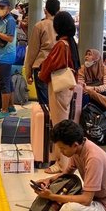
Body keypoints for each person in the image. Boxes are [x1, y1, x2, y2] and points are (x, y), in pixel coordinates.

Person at [34, 120, 106, 211]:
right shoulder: (78, 149)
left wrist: (52, 196)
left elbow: (86, 200)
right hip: (93, 197)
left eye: (63, 148)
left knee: (68, 209)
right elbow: (67, 174)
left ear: (75, 145)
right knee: (63, 199)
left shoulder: (93, 158)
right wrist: (48, 180)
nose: (61, 152)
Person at [39, 11, 81, 172]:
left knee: (59, 125)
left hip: (58, 88)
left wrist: (42, 71)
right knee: (62, 122)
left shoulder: (61, 45)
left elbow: (49, 66)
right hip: (67, 88)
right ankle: (62, 161)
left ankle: (61, 163)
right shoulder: (71, 43)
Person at [25, 0, 60, 105]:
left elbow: (32, 51)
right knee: (56, 101)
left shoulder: (40, 26)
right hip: (58, 66)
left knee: (44, 102)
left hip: (42, 66)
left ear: (45, 10)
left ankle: (45, 120)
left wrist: (28, 72)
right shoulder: (62, 25)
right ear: (58, 10)